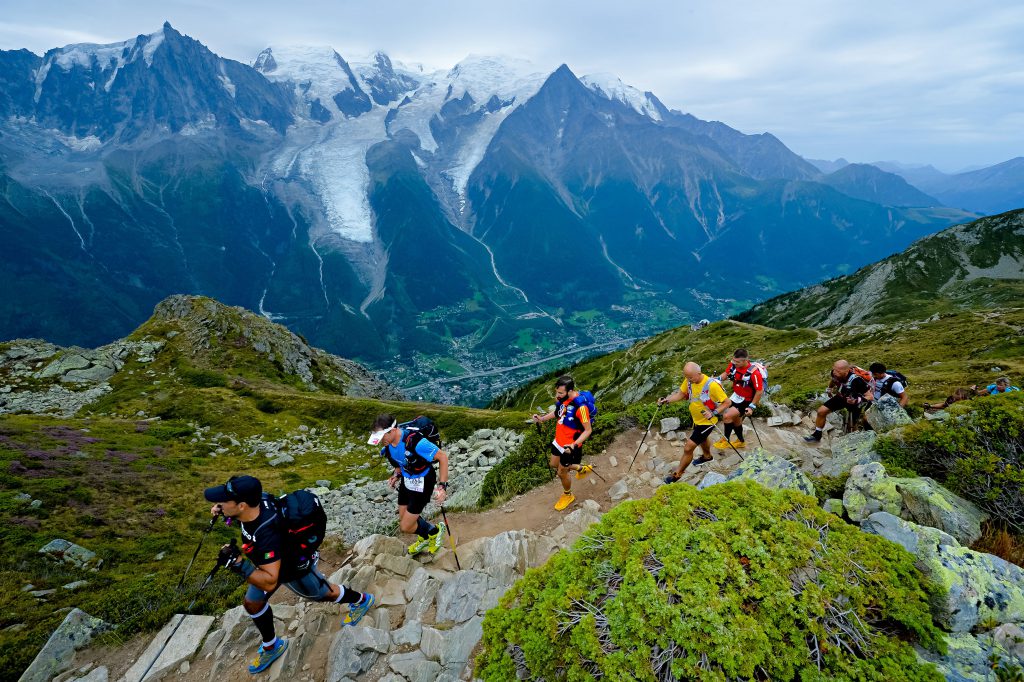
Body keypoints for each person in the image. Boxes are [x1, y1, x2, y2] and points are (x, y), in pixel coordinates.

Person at [204, 476, 374, 675]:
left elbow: (269, 582)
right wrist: (226, 514)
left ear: (241, 505)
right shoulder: (256, 503)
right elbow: (250, 521)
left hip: (291, 567)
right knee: (252, 603)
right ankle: (271, 646)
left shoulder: (267, 534)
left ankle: (361, 600)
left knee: (322, 593)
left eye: (223, 501)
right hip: (270, 563)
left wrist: (240, 566)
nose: (218, 504)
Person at [367, 414, 450, 555]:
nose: (381, 441)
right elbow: (399, 462)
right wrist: (396, 475)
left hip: (423, 482)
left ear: (392, 431)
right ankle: (427, 535)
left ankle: (435, 532)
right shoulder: (388, 446)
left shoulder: (415, 441)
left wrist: (442, 487)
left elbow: (443, 457)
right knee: (403, 517)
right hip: (407, 479)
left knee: (405, 526)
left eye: (382, 437)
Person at [659, 362, 732, 482]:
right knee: (702, 438)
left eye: (690, 377)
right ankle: (707, 457)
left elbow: (727, 402)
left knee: (688, 448)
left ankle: (677, 475)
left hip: (707, 422)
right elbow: (680, 395)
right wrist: (667, 400)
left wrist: (713, 413)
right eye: (686, 377)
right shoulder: (689, 380)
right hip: (697, 419)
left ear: (699, 373)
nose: (688, 380)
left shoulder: (712, 385)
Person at [531, 375, 595, 511]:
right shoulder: (564, 400)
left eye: (560, 393)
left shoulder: (581, 407)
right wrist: (542, 419)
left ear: (570, 391)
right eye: (557, 392)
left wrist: (574, 445)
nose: (557, 395)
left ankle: (568, 495)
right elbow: (557, 413)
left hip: (569, 446)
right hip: (558, 441)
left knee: (561, 472)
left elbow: (588, 430)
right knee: (553, 464)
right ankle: (581, 469)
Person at [804, 360, 874, 442]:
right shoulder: (834, 373)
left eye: (838, 371)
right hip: (841, 397)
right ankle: (817, 435)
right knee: (821, 411)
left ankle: (855, 442)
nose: (835, 372)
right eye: (834, 369)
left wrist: (856, 400)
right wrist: (829, 388)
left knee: (851, 425)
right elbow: (833, 380)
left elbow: (870, 396)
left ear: (847, 370)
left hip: (855, 402)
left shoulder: (857, 380)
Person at [715, 348, 765, 450]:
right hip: (736, 395)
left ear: (746, 361)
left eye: (737, 362)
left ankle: (726, 440)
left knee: (727, 416)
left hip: (747, 399)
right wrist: (717, 380)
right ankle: (741, 441)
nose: (734, 363)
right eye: (734, 360)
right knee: (736, 420)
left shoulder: (755, 374)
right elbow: (726, 373)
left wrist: (751, 406)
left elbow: (759, 391)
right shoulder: (734, 364)